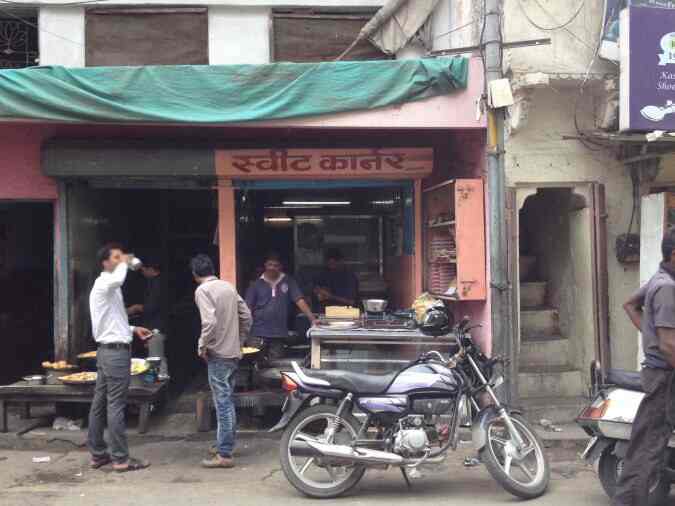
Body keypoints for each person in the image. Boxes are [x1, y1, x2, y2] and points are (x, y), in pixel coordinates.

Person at [613, 227, 675, 506]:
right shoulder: (666, 288)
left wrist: (649, 335)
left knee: (649, 446)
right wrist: (655, 340)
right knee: (647, 449)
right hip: (665, 377)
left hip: (661, 373)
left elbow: (630, 304)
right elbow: (668, 345)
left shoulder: (660, 280)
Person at [88, 243, 153, 473]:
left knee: (100, 404)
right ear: (105, 263)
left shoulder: (109, 288)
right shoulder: (106, 282)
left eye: (121, 256)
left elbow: (112, 319)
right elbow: (118, 279)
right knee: (115, 405)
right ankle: (121, 459)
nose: (120, 259)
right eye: (115, 257)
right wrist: (127, 261)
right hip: (114, 354)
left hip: (108, 350)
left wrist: (132, 328)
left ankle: (98, 454)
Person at [191, 254, 252, 469]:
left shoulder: (202, 291)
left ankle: (224, 454)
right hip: (233, 354)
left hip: (218, 355)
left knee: (223, 402)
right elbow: (247, 316)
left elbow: (209, 322)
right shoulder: (228, 287)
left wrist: (201, 345)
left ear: (195, 274)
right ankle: (225, 445)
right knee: (227, 400)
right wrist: (240, 340)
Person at [245, 252, 316, 358]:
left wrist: (312, 319)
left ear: (280, 267)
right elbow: (248, 308)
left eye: (275, 265)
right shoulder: (256, 284)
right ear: (265, 265)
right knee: (256, 364)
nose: (272, 268)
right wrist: (244, 330)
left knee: (276, 366)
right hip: (257, 333)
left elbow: (299, 300)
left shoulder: (288, 281)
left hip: (278, 333)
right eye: (270, 264)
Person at [127, 259, 169, 379]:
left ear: (151, 269)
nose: (142, 272)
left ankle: (157, 388)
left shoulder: (158, 284)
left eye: (144, 269)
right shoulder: (154, 282)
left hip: (156, 328)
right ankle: (154, 385)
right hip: (155, 327)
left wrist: (135, 308)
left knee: (156, 361)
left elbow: (151, 307)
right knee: (154, 360)